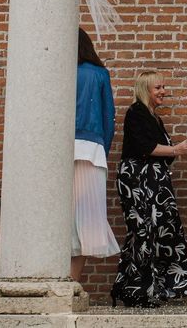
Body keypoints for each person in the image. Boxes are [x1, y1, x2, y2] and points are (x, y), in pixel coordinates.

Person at [111, 71, 187, 308]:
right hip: (138, 181)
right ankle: (136, 293)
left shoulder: (154, 118)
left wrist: (183, 149)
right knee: (143, 232)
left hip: (155, 182)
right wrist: (177, 149)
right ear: (145, 90)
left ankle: (145, 291)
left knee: (161, 232)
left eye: (163, 87)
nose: (163, 91)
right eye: (158, 88)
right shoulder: (136, 113)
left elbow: (163, 154)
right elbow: (146, 147)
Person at [71, 28, 120, 281]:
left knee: (62, 220)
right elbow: (108, 118)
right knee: (87, 224)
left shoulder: (59, 70)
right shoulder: (99, 73)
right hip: (92, 148)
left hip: (59, 150)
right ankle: (72, 282)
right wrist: (104, 149)